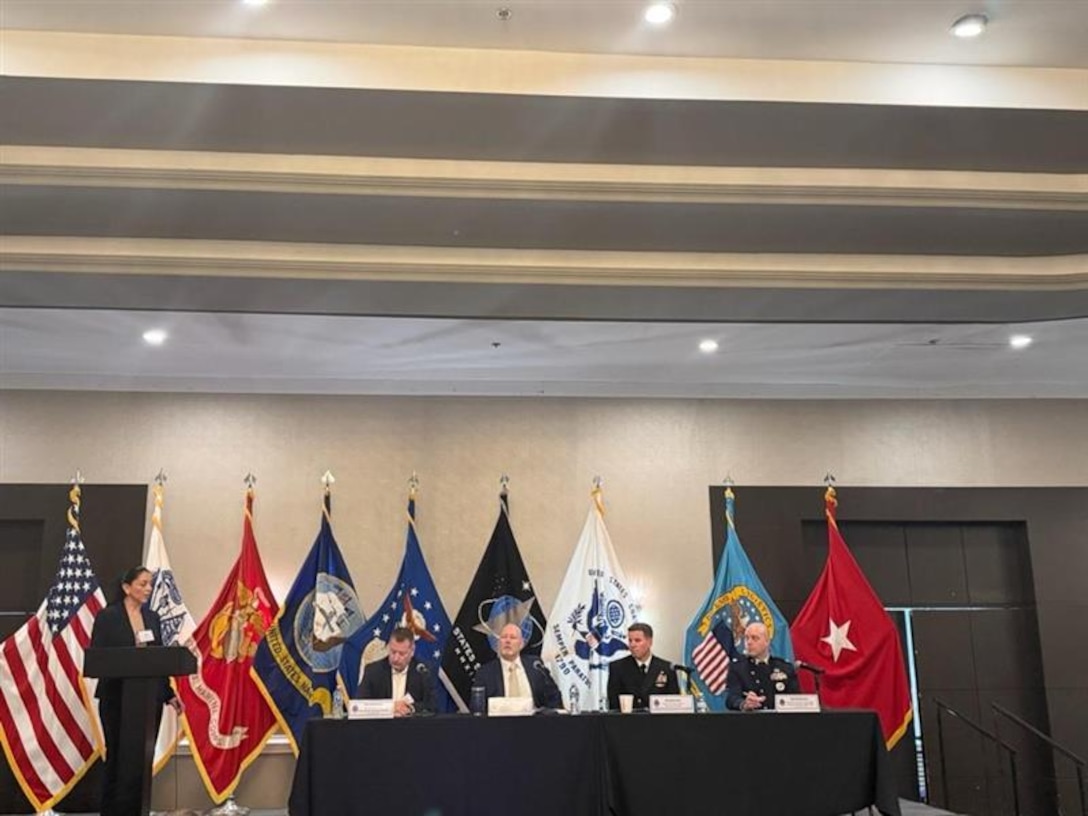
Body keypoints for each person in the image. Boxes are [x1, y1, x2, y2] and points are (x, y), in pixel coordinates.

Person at [89, 565, 183, 816]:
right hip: (116, 697)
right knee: (118, 756)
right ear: (126, 587)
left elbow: (158, 660)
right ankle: (112, 811)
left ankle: (137, 810)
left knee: (142, 758)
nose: (148, 589)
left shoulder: (153, 617)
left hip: (147, 700)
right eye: (142, 584)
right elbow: (98, 657)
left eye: (150, 584)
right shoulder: (108, 617)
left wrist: (169, 694)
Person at [474, 622, 561, 709]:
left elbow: (554, 696)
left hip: (534, 721)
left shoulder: (535, 666)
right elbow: (477, 708)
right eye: (504, 637)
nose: (507, 641)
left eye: (513, 637)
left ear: (521, 644)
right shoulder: (485, 673)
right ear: (498, 643)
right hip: (499, 722)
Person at [356, 626, 437, 716]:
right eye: (393, 652)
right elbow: (359, 706)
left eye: (402, 654)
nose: (396, 658)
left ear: (412, 651)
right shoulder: (373, 671)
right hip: (381, 727)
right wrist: (389, 707)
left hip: (412, 727)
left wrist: (410, 708)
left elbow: (432, 706)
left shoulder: (423, 671)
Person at [725, 621, 799, 711]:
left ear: (767, 641)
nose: (749, 642)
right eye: (746, 638)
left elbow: (795, 699)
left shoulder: (785, 667)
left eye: (754, 638)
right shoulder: (738, 667)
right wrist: (744, 704)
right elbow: (731, 698)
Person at [606, 622, 679, 710]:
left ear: (649, 642)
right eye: (630, 640)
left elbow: (674, 705)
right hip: (627, 722)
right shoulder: (618, 668)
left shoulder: (666, 668)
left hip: (658, 722)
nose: (632, 645)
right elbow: (614, 705)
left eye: (637, 640)